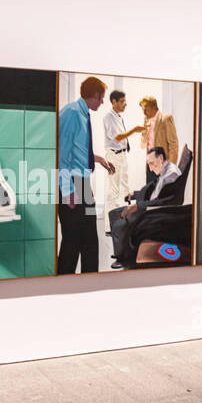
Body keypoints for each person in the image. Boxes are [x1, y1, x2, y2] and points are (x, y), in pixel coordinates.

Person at [57, 76, 114, 274]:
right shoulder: (71, 113)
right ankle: (64, 283)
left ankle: (90, 283)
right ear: (95, 95)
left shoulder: (82, 114)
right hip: (73, 184)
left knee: (90, 239)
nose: (102, 102)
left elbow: (77, 149)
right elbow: (62, 156)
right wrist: (67, 190)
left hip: (83, 184)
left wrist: (96, 158)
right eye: (101, 98)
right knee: (72, 240)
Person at [106, 147, 182, 269]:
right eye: (149, 165)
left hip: (152, 212)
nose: (151, 168)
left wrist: (138, 206)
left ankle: (122, 257)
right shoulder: (165, 169)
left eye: (152, 164)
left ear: (161, 158)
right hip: (147, 205)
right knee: (113, 214)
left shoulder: (171, 174)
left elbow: (164, 202)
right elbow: (152, 189)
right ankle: (121, 251)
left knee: (119, 223)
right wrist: (135, 195)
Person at [100, 90, 132, 220]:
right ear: (114, 102)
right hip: (114, 156)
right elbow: (117, 137)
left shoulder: (119, 117)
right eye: (122, 102)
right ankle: (110, 225)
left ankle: (124, 220)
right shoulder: (108, 117)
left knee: (125, 188)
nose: (125, 104)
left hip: (122, 155)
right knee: (113, 191)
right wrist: (134, 130)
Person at [138, 96, 179, 185]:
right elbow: (143, 145)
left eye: (146, 109)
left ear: (154, 107)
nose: (144, 112)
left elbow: (173, 145)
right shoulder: (146, 121)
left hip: (163, 166)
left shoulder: (166, 118)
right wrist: (144, 130)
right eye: (143, 109)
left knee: (162, 195)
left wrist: (171, 168)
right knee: (150, 194)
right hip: (150, 166)